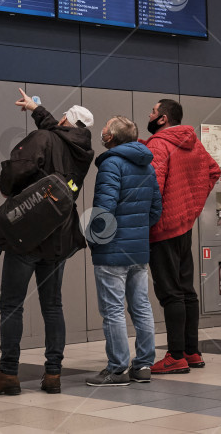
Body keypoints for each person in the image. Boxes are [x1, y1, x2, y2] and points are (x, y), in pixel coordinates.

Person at [0, 89, 94, 396]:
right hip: (59, 239)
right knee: (53, 306)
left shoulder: (43, 139)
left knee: (11, 305)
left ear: (66, 119)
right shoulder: (83, 153)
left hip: (26, 238)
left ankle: (8, 373)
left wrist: (7, 188)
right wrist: (35, 108)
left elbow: (19, 167)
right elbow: (54, 130)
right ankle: (53, 374)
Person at [84, 116, 162, 387]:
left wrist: (95, 240)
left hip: (113, 250)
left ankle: (117, 370)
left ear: (112, 138)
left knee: (113, 310)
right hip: (138, 250)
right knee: (141, 307)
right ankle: (142, 366)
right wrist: (137, 230)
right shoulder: (148, 166)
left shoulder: (111, 165)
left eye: (105, 129)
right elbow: (155, 210)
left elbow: (104, 210)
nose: (102, 132)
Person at [144, 99, 221, 373]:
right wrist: (192, 206)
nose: (149, 115)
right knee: (187, 290)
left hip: (163, 228)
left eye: (153, 111)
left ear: (163, 118)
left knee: (169, 293)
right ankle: (192, 352)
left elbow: (152, 188)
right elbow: (213, 171)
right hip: (184, 226)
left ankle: (175, 356)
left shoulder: (158, 144)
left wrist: (150, 220)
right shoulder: (193, 142)